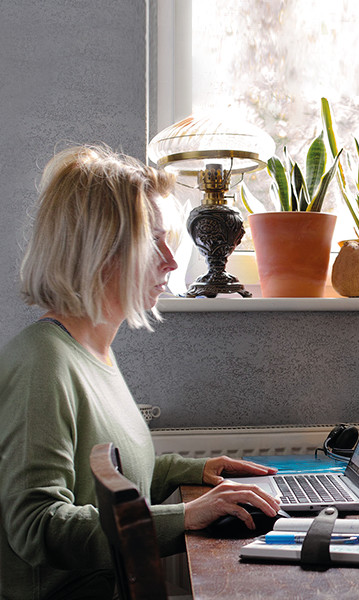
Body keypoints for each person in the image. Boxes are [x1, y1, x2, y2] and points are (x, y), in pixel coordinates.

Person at [0, 145, 281, 599]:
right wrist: (185, 517)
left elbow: (107, 477)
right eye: (152, 242)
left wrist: (193, 469)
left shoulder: (93, 351)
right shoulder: (43, 365)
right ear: (97, 250)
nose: (171, 262)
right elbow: (37, 527)